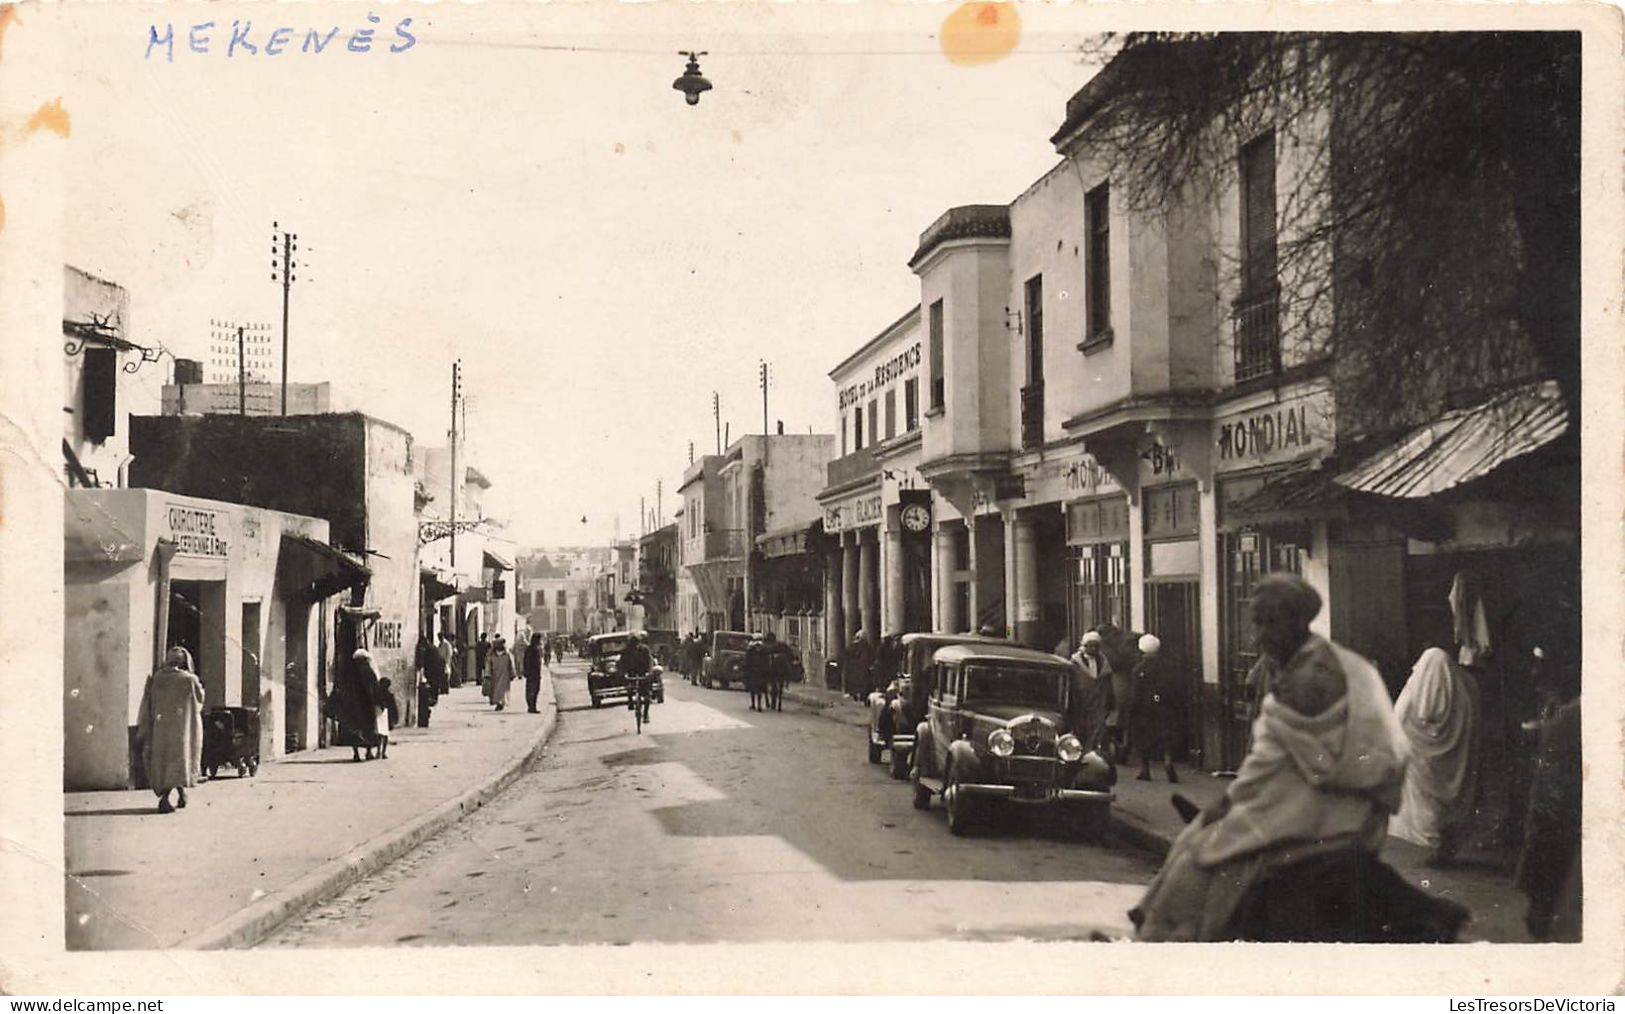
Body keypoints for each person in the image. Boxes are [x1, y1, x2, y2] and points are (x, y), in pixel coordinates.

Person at [1130, 573, 1409, 941]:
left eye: (1271, 623)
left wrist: (1224, 806)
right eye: (1257, 623)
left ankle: (1166, 935)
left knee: (1200, 853)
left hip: (1330, 808)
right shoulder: (1329, 661)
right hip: (1348, 801)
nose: (1260, 634)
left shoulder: (1307, 679)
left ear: (1298, 621)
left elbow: (1268, 766)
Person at [1388, 646, 1483, 866]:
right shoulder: (1465, 692)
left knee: (1425, 814)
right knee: (1441, 814)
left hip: (1421, 768)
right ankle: (1438, 851)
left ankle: (1425, 852)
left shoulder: (1415, 690)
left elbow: (1397, 723)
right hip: (1453, 769)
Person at [1515, 694, 1581, 941]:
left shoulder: (1572, 715)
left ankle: (1542, 916)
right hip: (1556, 804)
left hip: (1559, 808)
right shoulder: (1569, 713)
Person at [136, 646, 205, 814]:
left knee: (164, 761)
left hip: (161, 730)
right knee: (180, 759)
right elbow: (200, 698)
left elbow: (149, 702)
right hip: (182, 730)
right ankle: (166, 799)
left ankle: (181, 794)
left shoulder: (157, 678)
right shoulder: (189, 679)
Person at [1130, 634, 1179, 783]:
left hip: (1144, 708)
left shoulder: (1138, 669)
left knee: (1142, 738)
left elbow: (1135, 692)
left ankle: (1145, 770)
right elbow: (1172, 687)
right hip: (1163, 705)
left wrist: (1132, 709)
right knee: (1165, 736)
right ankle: (1168, 761)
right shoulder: (1167, 667)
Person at [1069, 631, 1116, 756]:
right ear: (1084, 646)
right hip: (1081, 702)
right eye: (1090, 645)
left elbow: (1108, 683)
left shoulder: (1104, 662)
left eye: (1096, 646)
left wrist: (1110, 701)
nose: (1093, 648)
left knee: (1097, 731)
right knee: (1081, 730)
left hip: (1099, 703)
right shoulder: (1075, 662)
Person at [618, 633, 654, 723]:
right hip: (631, 673)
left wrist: (649, 672)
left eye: (637, 643)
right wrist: (624, 673)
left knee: (647, 696)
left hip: (643, 673)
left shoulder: (645, 650)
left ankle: (646, 714)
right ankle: (630, 699)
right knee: (629, 687)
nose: (635, 646)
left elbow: (650, 662)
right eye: (633, 643)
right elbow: (621, 664)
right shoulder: (625, 651)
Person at [764, 631, 794, 712]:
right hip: (783, 668)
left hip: (772, 669)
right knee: (781, 683)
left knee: (772, 684)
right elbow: (791, 655)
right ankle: (787, 682)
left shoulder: (767, 646)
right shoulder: (782, 645)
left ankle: (773, 703)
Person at [486, 634, 515, 712]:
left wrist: (512, 674)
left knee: (501, 690)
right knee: (498, 690)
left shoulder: (506, 655)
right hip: (498, 675)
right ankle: (500, 703)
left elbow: (511, 665)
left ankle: (501, 703)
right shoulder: (493, 655)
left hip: (502, 675)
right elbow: (488, 665)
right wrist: (488, 674)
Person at [844, 629, 874, 702]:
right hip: (861, 668)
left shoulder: (852, 646)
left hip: (857, 668)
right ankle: (860, 695)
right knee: (862, 683)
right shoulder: (865, 646)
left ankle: (857, 694)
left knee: (858, 683)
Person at [373, 677, 399, 758]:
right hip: (383, 715)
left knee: (380, 734)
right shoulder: (388, 695)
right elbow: (393, 707)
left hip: (380, 714)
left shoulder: (377, 695)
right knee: (384, 734)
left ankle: (379, 752)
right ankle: (382, 752)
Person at [743, 634, 769, 712]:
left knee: (753, 688)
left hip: (754, 671)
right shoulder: (763, 649)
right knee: (759, 689)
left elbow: (747, 661)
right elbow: (766, 661)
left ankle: (755, 704)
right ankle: (758, 705)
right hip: (760, 672)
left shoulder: (751, 650)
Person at [523, 632, 546, 714]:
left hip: (531, 674)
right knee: (534, 690)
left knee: (531, 690)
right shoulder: (534, 650)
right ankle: (532, 707)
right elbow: (532, 662)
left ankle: (531, 706)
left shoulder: (530, 648)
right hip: (534, 674)